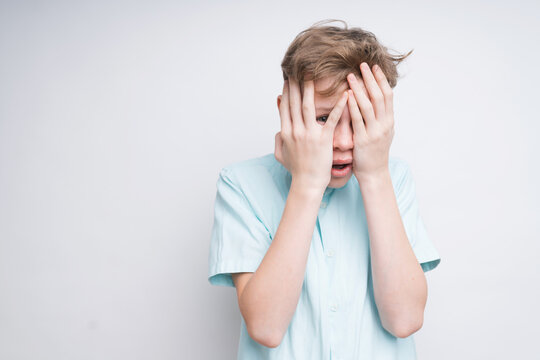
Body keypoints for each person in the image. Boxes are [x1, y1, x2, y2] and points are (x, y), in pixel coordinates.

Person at [207, 19, 441, 359]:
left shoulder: (395, 177)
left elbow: (404, 319)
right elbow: (266, 328)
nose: (344, 142)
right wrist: (306, 183)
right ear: (286, 111)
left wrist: (374, 176)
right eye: (323, 119)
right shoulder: (241, 184)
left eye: (360, 119)